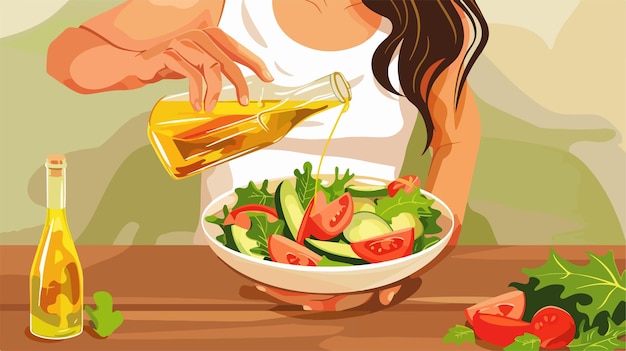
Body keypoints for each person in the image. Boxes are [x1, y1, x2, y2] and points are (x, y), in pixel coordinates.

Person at [47, 0, 489, 311]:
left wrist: (419, 256)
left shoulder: (427, 17)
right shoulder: (226, 4)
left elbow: (458, 138)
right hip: (230, 276)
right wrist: (144, 63)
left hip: (367, 274)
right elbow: (67, 55)